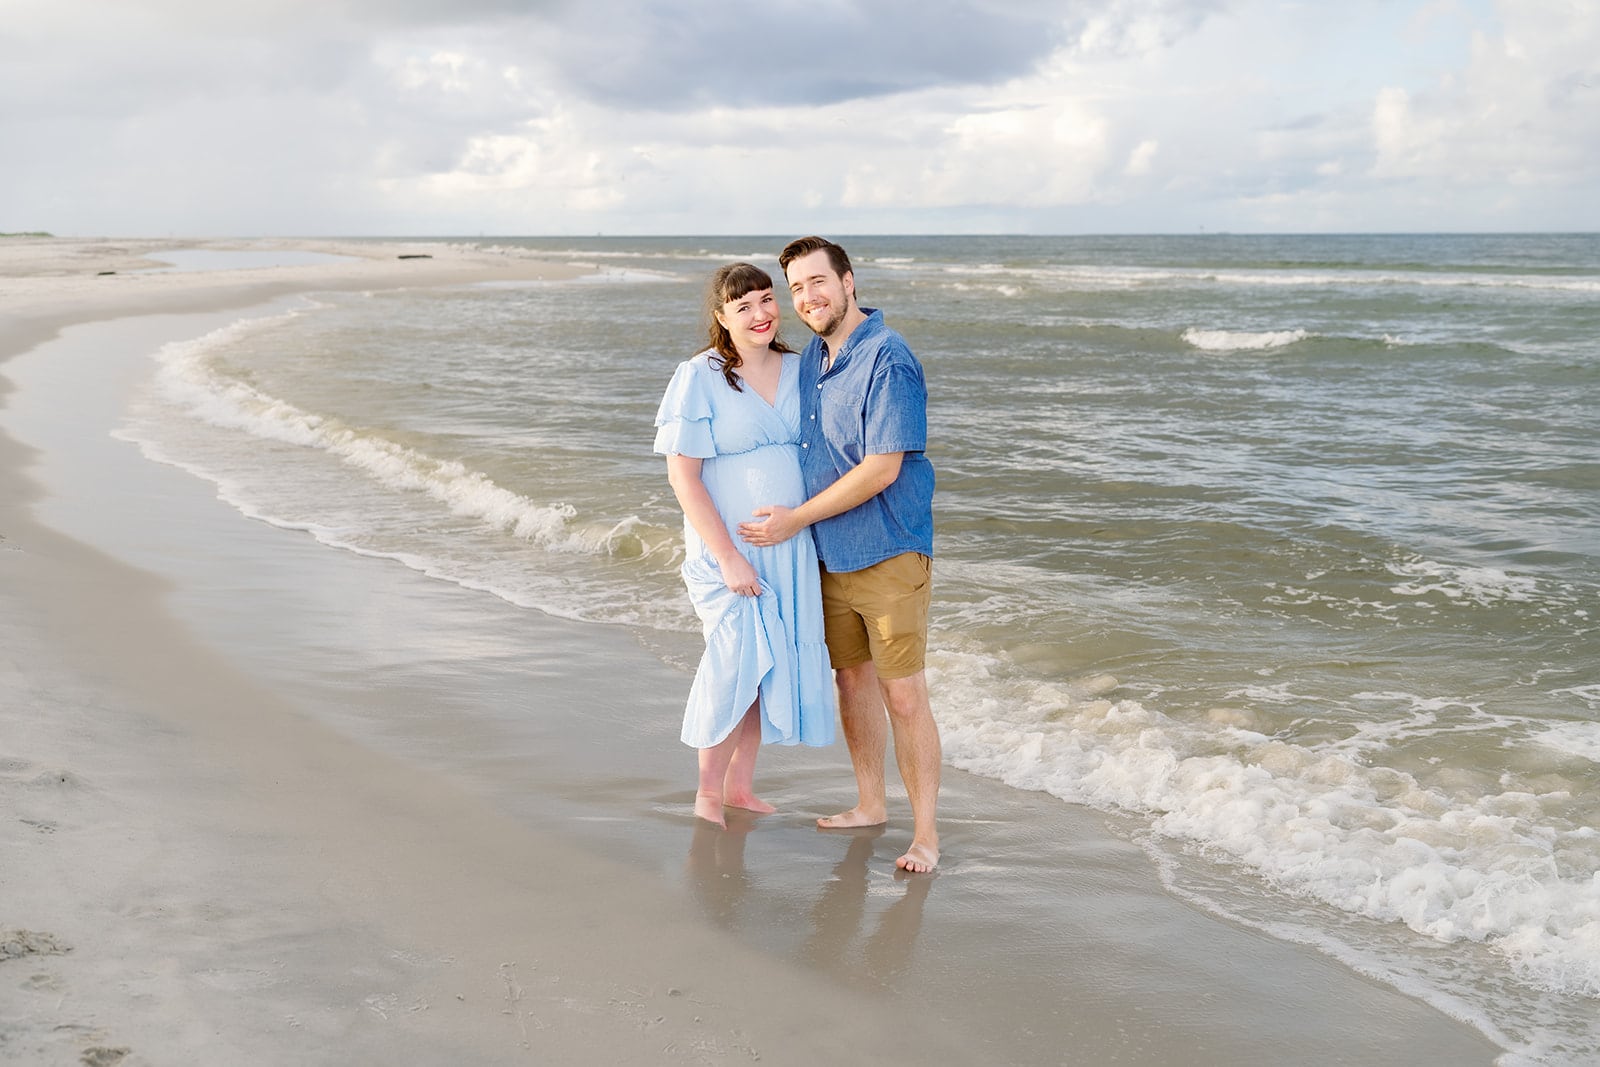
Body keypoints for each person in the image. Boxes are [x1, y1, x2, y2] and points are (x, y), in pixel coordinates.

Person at [737, 236, 941, 873]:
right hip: (828, 556)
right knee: (851, 682)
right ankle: (870, 803)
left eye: (817, 282)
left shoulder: (888, 358)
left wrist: (794, 518)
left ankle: (927, 835)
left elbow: (882, 469)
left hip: (888, 549)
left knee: (903, 694)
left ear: (849, 282)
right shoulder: (810, 364)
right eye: (795, 288)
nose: (807, 297)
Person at [654, 262, 836, 829]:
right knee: (735, 663)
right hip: (728, 549)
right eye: (743, 307)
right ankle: (707, 793)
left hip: (788, 544)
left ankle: (740, 787)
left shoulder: (803, 368)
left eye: (766, 300)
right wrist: (728, 557)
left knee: (769, 665)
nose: (760, 314)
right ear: (721, 317)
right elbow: (683, 476)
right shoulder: (700, 374)